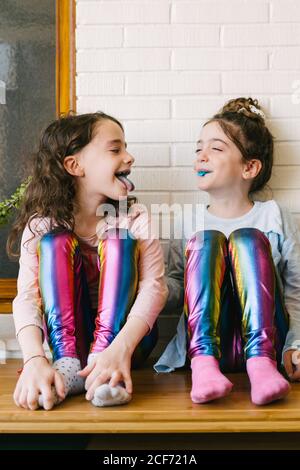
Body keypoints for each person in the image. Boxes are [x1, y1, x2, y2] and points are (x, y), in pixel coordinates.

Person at [7, 111, 168, 410]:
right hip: (67, 341)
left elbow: (154, 288)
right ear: (74, 165)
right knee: (56, 242)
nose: (129, 157)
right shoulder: (41, 225)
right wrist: (33, 360)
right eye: (115, 149)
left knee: (119, 239)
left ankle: (105, 369)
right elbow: (27, 298)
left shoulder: (135, 218)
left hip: (126, 343)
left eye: (126, 148)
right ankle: (70, 366)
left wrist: (119, 349)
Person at [154, 97, 300, 406]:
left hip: (268, 346)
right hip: (209, 346)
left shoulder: (273, 217)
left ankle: (261, 365)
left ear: (249, 167)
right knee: (207, 239)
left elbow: (295, 293)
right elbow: (176, 292)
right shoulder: (187, 221)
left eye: (216, 148)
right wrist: (149, 283)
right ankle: (204, 364)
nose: (201, 157)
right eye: (199, 149)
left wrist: (294, 345)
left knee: (246, 239)